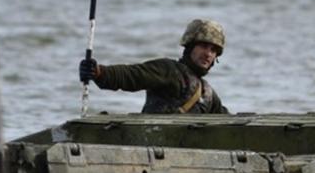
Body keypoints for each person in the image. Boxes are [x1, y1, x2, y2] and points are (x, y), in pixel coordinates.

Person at [78, 18, 230, 114]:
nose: (209, 54)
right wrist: (99, 72)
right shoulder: (170, 71)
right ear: (190, 47)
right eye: (204, 46)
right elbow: (133, 75)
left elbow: (226, 123)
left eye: (214, 50)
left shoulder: (208, 94)